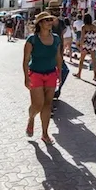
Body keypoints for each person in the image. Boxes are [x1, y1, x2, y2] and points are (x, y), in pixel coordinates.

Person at [22, 12, 63, 145]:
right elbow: (26, 59)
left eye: (51, 20)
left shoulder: (56, 38)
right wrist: (26, 77)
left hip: (51, 73)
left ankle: (45, 134)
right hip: (35, 74)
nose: (50, 22)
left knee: (47, 104)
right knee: (38, 104)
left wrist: (60, 73)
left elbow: (58, 57)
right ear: (40, 23)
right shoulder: (32, 40)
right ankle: (31, 118)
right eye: (46, 20)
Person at [74, 14, 96, 81]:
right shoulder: (95, 26)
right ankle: (95, 76)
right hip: (93, 44)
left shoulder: (84, 27)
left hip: (86, 43)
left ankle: (79, 74)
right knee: (94, 60)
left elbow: (82, 37)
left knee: (81, 60)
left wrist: (81, 46)